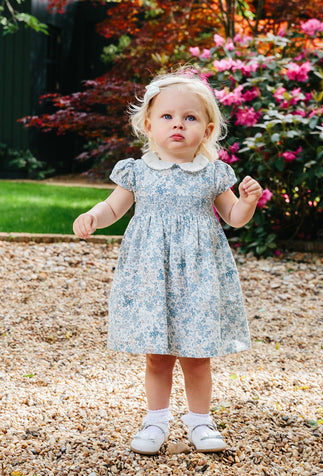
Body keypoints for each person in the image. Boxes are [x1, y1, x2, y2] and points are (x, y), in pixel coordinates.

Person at [73, 71, 262, 455]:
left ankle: (200, 421)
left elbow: (233, 217)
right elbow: (113, 207)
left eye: (190, 118)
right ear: (148, 125)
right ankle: (155, 421)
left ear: (207, 130)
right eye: (167, 116)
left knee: (196, 355)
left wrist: (246, 202)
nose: (178, 123)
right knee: (158, 355)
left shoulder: (212, 174)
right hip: (150, 277)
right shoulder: (137, 172)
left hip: (198, 277)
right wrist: (94, 215)